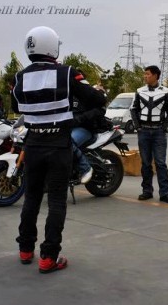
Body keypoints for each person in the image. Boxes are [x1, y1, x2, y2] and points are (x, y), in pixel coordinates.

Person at [13, 26, 106, 273]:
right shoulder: (67, 73)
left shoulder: (20, 77)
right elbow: (98, 100)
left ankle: (25, 249)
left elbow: (15, 104)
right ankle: (48, 257)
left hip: (33, 144)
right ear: (52, 46)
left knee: (31, 198)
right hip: (58, 145)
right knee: (56, 201)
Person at [130, 65, 168, 204]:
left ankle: (165, 193)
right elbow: (133, 109)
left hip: (158, 132)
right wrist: (138, 127)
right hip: (143, 131)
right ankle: (147, 191)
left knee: (160, 163)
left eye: (148, 74)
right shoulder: (139, 91)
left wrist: (164, 127)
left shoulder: (166, 92)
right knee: (145, 163)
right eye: (144, 74)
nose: (145, 76)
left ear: (156, 75)